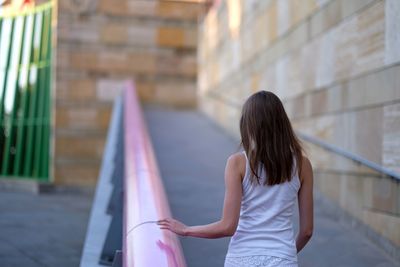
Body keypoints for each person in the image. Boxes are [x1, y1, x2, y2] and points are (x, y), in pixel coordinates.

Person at [158, 91, 314, 267]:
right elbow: (307, 231)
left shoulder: (238, 163)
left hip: (242, 256)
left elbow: (228, 226)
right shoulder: (303, 165)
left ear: (248, 125)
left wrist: (186, 230)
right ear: (283, 123)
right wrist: (285, 253)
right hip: (283, 257)